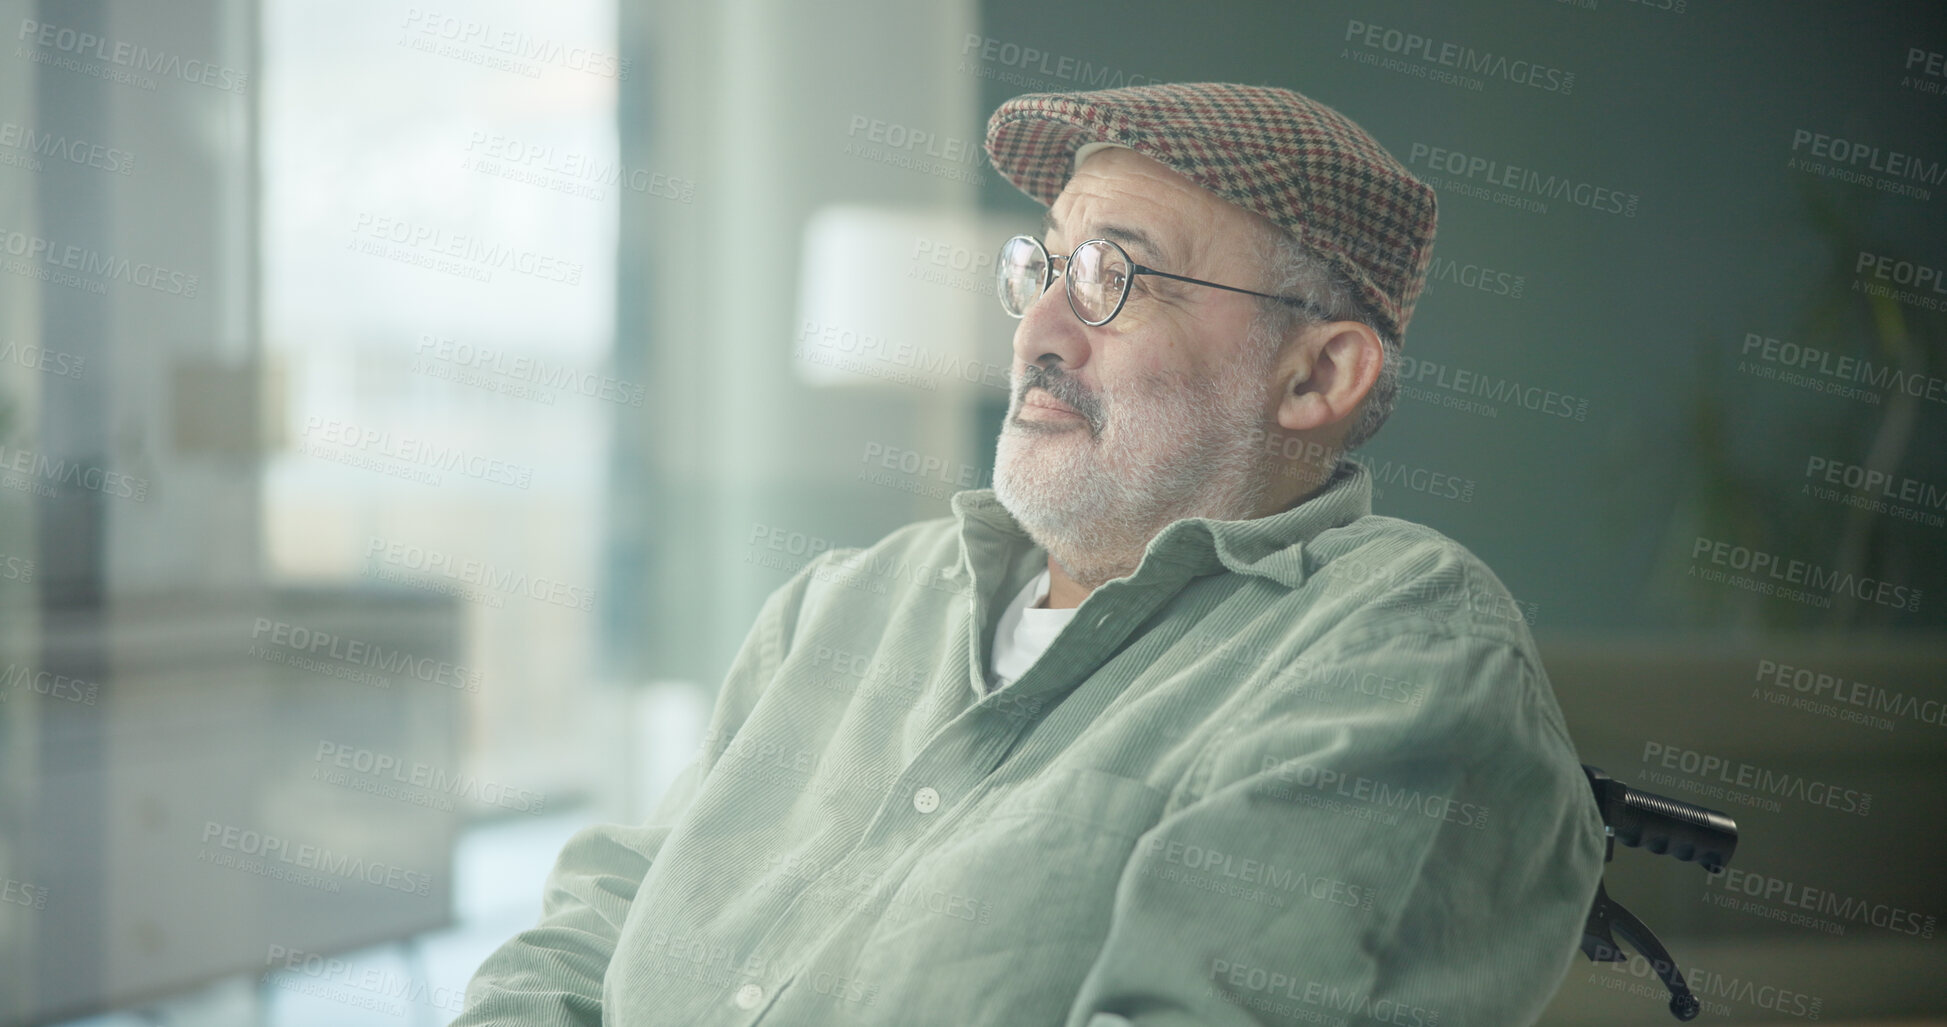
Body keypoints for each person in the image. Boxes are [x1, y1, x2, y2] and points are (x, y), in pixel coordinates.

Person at [454, 81, 1605, 1027]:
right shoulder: (847, 604)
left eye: (1117, 279)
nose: (1041, 328)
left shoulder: (1396, 645)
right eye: (1044, 267)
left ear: (1315, 376)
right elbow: (599, 923)